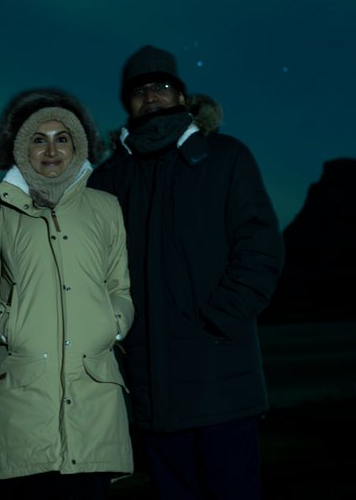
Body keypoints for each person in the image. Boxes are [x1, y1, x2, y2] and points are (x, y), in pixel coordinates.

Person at [90, 45, 284, 499]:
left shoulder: (226, 157)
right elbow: (81, 258)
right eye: (139, 90)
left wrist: (223, 317)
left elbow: (260, 245)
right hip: (152, 389)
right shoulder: (109, 179)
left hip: (221, 379)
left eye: (162, 86)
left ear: (181, 95)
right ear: (127, 103)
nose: (151, 96)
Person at [0, 88, 134, 497]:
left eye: (62, 138)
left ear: (78, 145)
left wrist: (113, 324)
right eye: (38, 138)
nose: (51, 149)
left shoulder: (106, 208)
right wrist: (10, 324)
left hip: (95, 409)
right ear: (22, 148)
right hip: (21, 410)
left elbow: (119, 287)